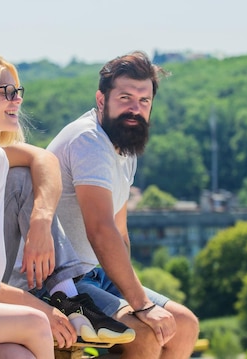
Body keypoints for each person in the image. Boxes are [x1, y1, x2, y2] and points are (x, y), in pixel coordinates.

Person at [0, 55, 132, 358]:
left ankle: (65, 300)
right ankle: (66, 301)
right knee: (36, 322)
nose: (16, 100)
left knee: (17, 355)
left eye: (18, 92)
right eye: (6, 92)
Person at [46, 51, 200, 358]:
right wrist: (141, 306)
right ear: (101, 100)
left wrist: (135, 295)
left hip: (96, 274)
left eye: (144, 101)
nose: (135, 109)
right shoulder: (89, 140)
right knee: (142, 333)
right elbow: (101, 231)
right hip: (61, 281)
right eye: (126, 97)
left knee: (184, 324)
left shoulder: (124, 148)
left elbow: (120, 231)